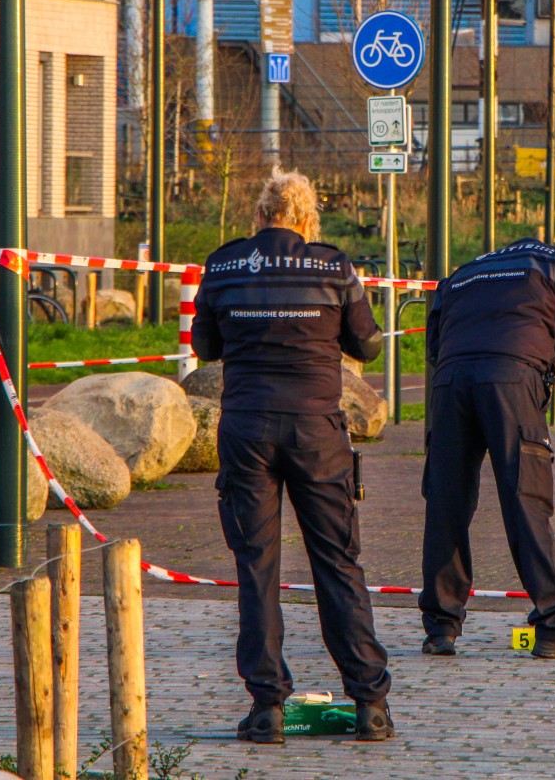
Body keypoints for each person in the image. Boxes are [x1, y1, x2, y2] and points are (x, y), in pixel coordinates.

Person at [190, 168, 394, 743]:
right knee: (337, 562)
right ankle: (369, 704)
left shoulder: (224, 265)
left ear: (258, 216)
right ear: (307, 221)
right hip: (316, 428)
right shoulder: (333, 266)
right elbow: (368, 344)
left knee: (256, 566)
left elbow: (204, 346)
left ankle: (266, 708)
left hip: (247, 426)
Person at [418, 237, 555, 659]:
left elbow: (434, 344)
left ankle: (441, 627)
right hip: (511, 379)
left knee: (446, 502)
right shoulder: (554, 262)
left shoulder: (463, 271)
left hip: (450, 383)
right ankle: (554, 623)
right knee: (526, 499)